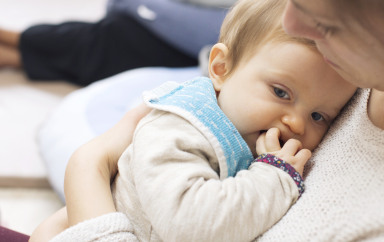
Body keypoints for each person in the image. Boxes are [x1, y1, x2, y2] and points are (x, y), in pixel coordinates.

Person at [29, 0, 357, 241]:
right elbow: (193, 225)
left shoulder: (242, 134)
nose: (297, 124)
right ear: (220, 70)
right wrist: (275, 176)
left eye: (318, 115)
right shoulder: (182, 130)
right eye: (281, 92)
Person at [0, 0, 234, 86]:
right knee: (109, 35)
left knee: (110, 38)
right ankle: (13, 45)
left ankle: (12, 47)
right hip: (192, 39)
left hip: (198, 45)